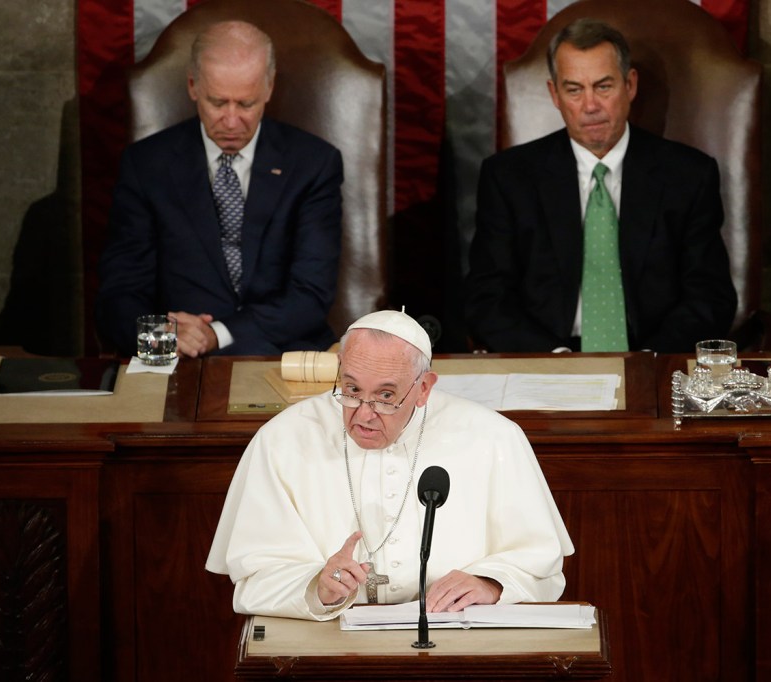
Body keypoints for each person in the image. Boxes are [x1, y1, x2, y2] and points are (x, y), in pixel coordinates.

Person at [206, 309, 573, 620]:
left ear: (424, 388)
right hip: (331, 646)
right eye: (351, 390)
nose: (364, 414)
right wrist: (317, 586)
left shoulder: (493, 437)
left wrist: (490, 583)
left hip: (453, 639)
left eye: (386, 396)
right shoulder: (283, 439)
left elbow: (540, 564)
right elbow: (254, 577)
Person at [464, 19, 736, 353]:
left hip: (653, 357)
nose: (590, 106)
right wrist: (554, 360)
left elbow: (710, 295)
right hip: (547, 358)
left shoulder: (689, 175)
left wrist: (649, 360)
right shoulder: (508, 178)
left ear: (630, 85)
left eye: (603, 86)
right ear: (555, 94)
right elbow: (487, 298)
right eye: (574, 89)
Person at [95, 21, 343, 357]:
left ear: (268, 88)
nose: (230, 121)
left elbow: (311, 294)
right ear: (193, 86)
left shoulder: (314, 164)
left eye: (245, 104)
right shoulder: (146, 165)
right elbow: (119, 293)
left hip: (283, 353)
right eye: (217, 102)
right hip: (178, 358)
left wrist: (217, 334)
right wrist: (163, 337)